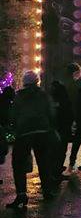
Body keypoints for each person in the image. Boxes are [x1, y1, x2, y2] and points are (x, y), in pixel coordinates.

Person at [6, 71, 56, 209]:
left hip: (24, 133)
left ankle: (21, 194)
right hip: (42, 132)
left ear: (24, 82)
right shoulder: (44, 95)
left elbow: (13, 114)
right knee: (44, 162)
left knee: (19, 163)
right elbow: (51, 112)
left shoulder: (19, 96)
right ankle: (47, 191)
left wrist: (14, 127)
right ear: (37, 81)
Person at [51, 80, 73, 179]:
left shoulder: (50, 100)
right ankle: (57, 170)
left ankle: (54, 169)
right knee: (61, 150)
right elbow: (69, 113)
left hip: (54, 128)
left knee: (54, 150)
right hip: (63, 128)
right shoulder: (65, 100)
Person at [63, 63, 81, 171]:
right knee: (76, 140)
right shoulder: (75, 86)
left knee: (63, 141)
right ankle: (71, 161)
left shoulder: (63, 84)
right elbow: (76, 102)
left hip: (64, 116)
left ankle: (60, 163)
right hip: (73, 116)